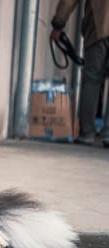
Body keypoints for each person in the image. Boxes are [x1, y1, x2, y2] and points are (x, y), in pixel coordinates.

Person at [51, 0, 109, 147]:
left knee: (92, 80)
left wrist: (58, 23)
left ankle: (87, 134)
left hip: (98, 27)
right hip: (97, 27)